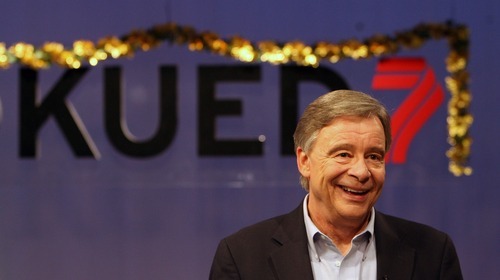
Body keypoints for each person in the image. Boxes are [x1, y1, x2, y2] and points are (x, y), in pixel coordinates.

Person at [209, 90, 463, 280]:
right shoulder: (242, 257)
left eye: (374, 156)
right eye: (343, 154)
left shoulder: (433, 252)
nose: (361, 172)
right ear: (304, 161)